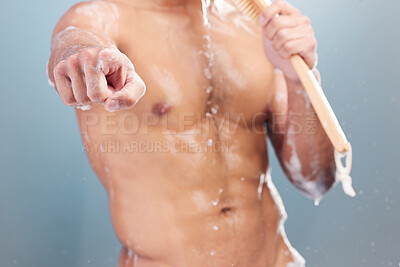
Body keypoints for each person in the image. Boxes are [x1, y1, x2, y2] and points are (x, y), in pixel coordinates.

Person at [47, 0, 336, 266]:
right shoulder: (104, 18)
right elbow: (74, 45)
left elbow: (316, 179)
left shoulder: (256, 23)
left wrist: (299, 78)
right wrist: (84, 60)